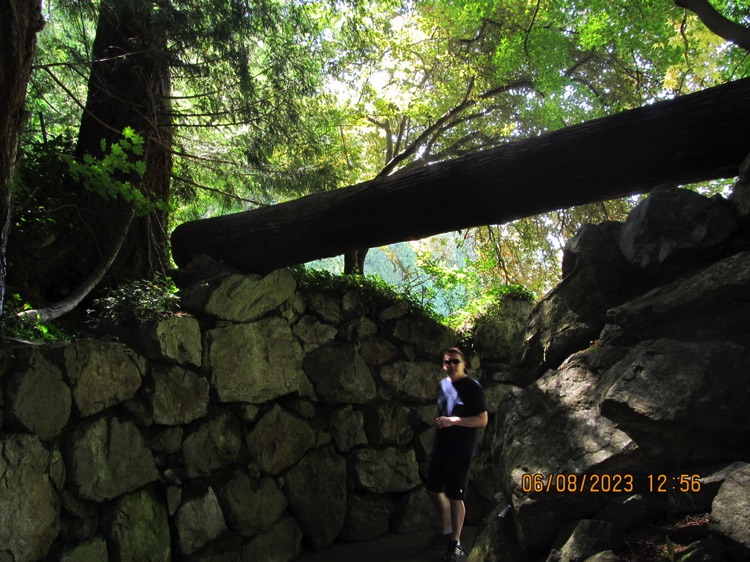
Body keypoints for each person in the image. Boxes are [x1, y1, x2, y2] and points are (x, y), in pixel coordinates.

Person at [426, 347, 488, 562]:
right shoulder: (443, 385)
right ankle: (446, 529)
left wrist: (454, 421)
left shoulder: (473, 388)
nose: (451, 365)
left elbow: (482, 420)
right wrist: (433, 444)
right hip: (442, 447)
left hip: (461, 450)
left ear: (464, 364)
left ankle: (456, 542)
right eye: (447, 362)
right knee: (433, 489)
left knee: (455, 496)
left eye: (455, 361)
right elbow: (440, 417)